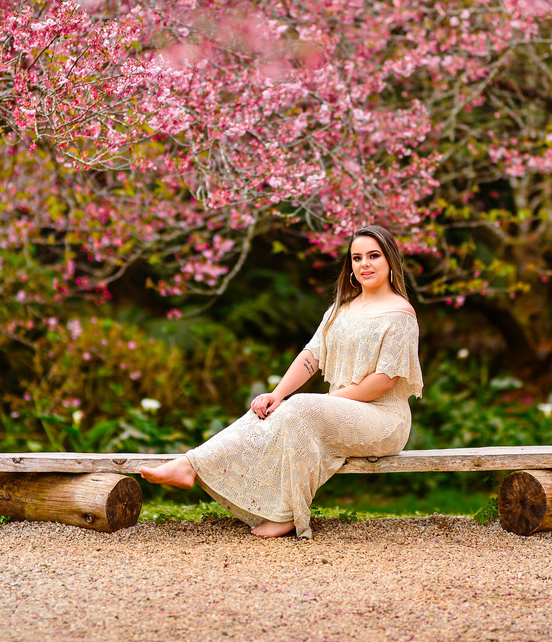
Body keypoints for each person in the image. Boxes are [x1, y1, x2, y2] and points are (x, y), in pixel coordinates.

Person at [140, 225, 423, 539]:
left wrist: (323, 402)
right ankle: (190, 465)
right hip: (340, 412)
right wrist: (277, 395)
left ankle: (288, 514)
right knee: (268, 411)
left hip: (384, 422)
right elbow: (311, 356)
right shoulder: (339, 310)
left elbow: (384, 381)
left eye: (374, 256)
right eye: (357, 258)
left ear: (390, 260)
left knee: (300, 407)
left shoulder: (400, 314)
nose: (364, 264)